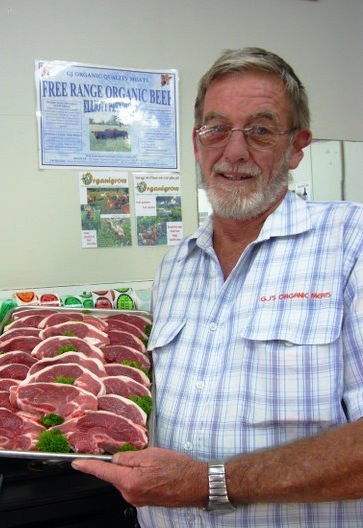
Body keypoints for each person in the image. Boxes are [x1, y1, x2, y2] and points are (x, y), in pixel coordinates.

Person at [72, 47, 363, 527]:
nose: (234, 151)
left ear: (296, 146)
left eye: (261, 130)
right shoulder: (174, 266)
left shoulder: (349, 244)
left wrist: (210, 483)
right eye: (216, 129)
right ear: (196, 141)